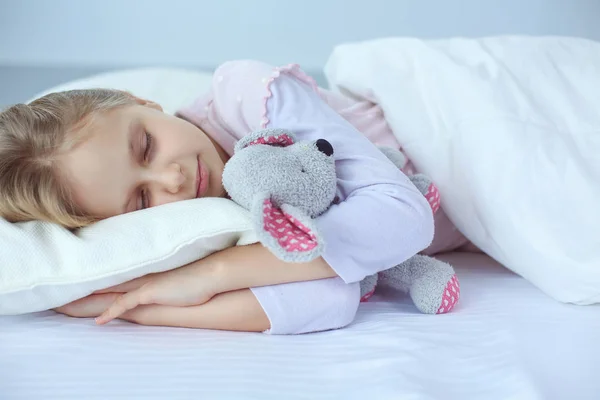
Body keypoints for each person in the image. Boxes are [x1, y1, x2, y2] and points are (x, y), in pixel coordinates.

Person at [0, 60, 470, 334]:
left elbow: (403, 216)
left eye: (146, 145)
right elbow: (331, 298)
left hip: (460, 152)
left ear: (139, 102)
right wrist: (148, 305)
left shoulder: (247, 97)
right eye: (141, 201)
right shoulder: (196, 224)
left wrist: (214, 275)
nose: (172, 178)